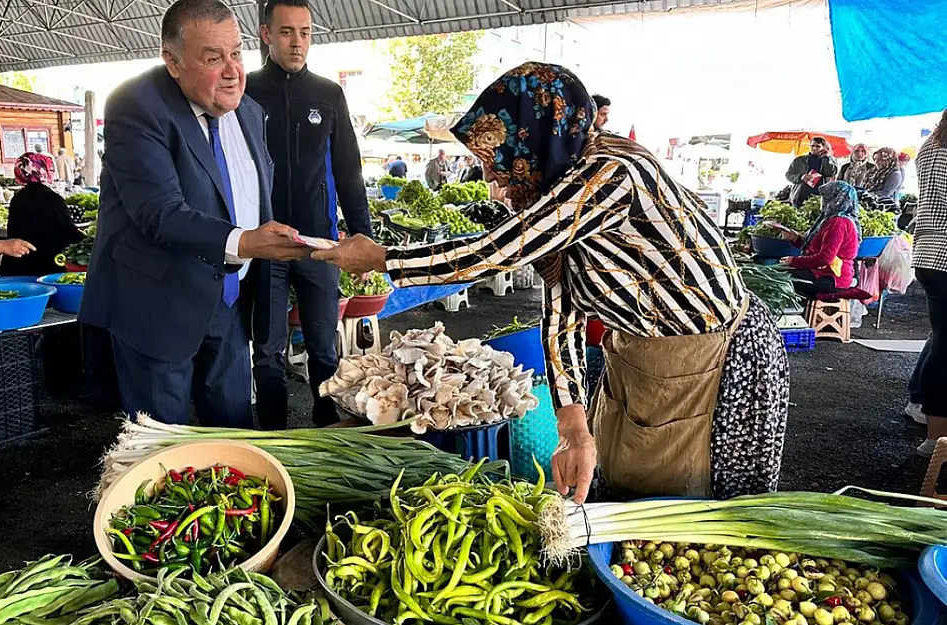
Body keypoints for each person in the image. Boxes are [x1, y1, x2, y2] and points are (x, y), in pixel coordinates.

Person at [313, 62, 789, 502]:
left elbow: (497, 252)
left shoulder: (612, 174)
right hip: (642, 358)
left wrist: (383, 257)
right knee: (620, 478)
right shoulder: (560, 187)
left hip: (710, 362)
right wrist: (573, 427)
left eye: (500, 154)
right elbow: (562, 313)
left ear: (533, 137)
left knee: (681, 504)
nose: (491, 172)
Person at [77, 0, 310, 427]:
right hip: (158, 305)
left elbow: (251, 197)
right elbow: (158, 211)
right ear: (173, 61)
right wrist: (243, 241)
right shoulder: (137, 105)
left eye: (236, 53)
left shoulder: (251, 113)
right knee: (159, 447)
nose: (232, 70)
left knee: (233, 434)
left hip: (228, 303)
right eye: (213, 58)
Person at [246, 0, 372, 428]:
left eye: (304, 32)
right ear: (266, 34)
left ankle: (327, 432)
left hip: (319, 242)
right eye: (286, 32)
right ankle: (275, 439)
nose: (297, 42)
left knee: (323, 345)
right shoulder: (245, 92)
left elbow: (348, 170)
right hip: (264, 242)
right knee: (266, 349)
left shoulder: (328, 93)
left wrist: (362, 237)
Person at [912, 109, 947, 457]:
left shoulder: (930, 145)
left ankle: (934, 435)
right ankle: (936, 439)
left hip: (929, 256)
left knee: (942, 343)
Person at [0, 153, 85, 277]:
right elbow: (69, 232)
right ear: (44, 171)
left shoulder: (17, 198)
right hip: (44, 268)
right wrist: (90, 241)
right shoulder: (52, 198)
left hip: (17, 265)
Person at [779, 181, 862, 298]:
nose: (822, 201)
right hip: (823, 272)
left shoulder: (838, 223)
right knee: (781, 275)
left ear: (834, 199)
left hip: (832, 278)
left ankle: (799, 314)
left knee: (781, 279)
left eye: (825, 197)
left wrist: (793, 261)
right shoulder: (829, 219)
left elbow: (825, 258)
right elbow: (816, 246)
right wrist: (795, 238)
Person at [785, 136, 838, 207]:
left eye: (818, 146)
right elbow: (788, 175)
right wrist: (801, 177)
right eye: (812, 146)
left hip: (821, 198)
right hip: (800, 196)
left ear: (823, 148)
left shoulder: (830, 160)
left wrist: (826, 158)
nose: (814, 148)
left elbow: (831, 172)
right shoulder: (799, 160)